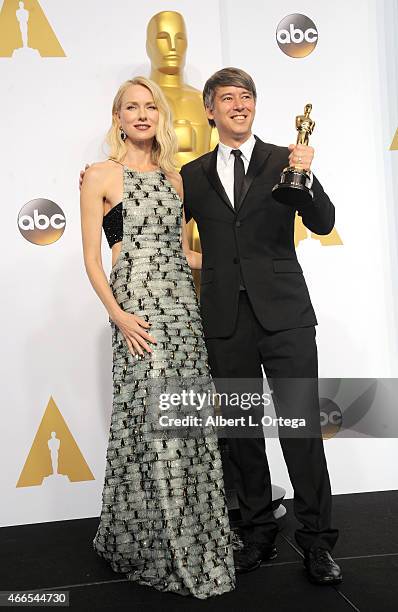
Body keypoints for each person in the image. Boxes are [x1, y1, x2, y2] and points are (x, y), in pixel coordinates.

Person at [180, 67, 342, 584]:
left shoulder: (283, 159)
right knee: (241, 433)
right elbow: (153, 225)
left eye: (246, 97)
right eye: (227, 98)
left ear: (255, 106)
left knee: (300, 430)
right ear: (210, 110)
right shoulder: (192, 174)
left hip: (286, 316)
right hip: (226, 317)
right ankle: (256, 532)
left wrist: (308, 177)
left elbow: (322, 222)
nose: (238, 105)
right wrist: (105, 192)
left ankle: (317, 541)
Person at [80, 76, 235, 598]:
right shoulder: (99, 175)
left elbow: (183, 252)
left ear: (159, 116)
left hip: (182, 310)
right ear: (118, 116)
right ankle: (152, 539)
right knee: (148, 420)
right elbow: (92, 260)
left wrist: (237, 263)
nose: (142, 115)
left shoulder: (177, 180)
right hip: (138, 309)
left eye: (150, 107)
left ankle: (194, 533)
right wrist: (118, 315)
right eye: (132, 107)